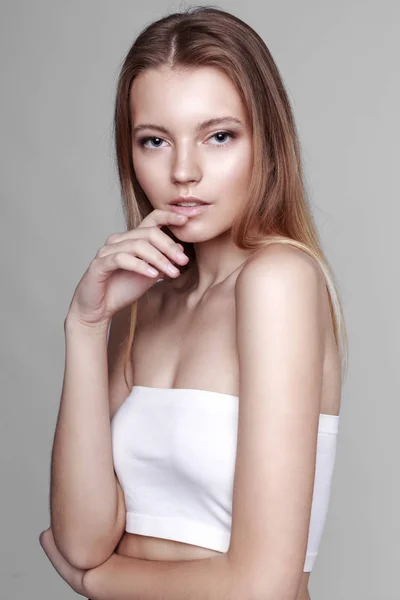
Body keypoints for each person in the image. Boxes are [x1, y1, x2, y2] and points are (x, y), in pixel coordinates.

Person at [40, 5, 348, 600]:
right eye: (154, 140)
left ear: (267, 141)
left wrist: (97, 581)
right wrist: (84, 325)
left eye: (219, 136)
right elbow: (81, 537)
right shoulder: (142, 299)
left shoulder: (279, 280)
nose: (184, 171)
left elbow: (262, 585)